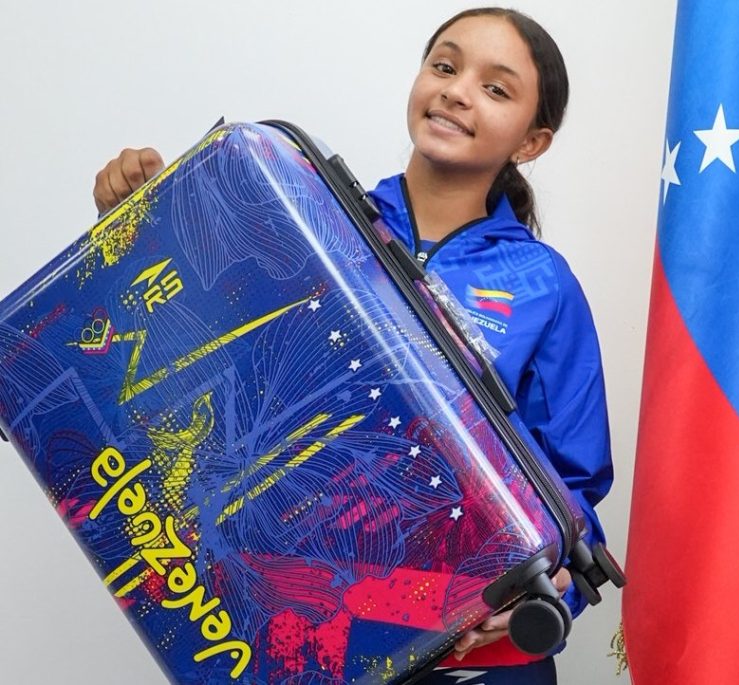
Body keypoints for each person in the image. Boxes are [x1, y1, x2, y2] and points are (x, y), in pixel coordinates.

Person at [92, 7, 612, 684]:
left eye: (495, 88)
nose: (457, 91)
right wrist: (138, 227)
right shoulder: (304, 219)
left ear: (532, 142)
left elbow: (573, 493)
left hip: (475, 654)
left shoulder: (544, 286)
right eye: (445, 66)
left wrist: (545, 592)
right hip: (305, 626)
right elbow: (196, 359)